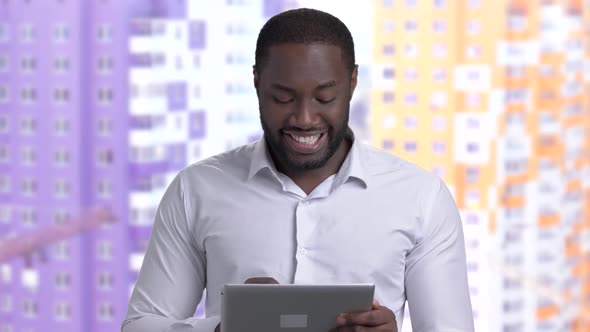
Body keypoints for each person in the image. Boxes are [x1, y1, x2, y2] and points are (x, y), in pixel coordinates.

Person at [122, 8, 474, 332]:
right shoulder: (196, 190)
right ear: (257, 81)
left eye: (324, 98)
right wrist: (220, 329)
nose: (304, 118)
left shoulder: (421, 198)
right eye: (283, 98)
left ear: (352, 83)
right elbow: (140, 325)